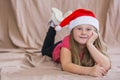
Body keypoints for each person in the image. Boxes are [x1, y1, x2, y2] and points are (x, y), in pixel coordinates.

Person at [41, 8, 111, 77]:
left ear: (95, 33)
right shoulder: (67, 41)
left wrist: (90, 45)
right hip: (59, 48)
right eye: (79, 28)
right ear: (72, 31)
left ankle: (66, 20)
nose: (83, 32)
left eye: (88, 29)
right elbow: (66, 65)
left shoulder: (94, 42)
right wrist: (89, 70)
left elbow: (106, 65)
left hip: (70, 42)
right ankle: (53, 25)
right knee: (44, 51)